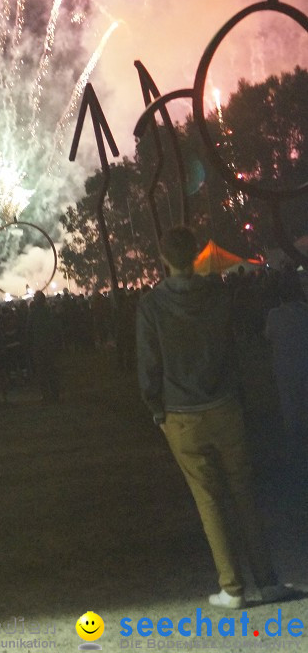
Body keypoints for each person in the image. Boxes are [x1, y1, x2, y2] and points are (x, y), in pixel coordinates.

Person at [136, 225, 290, 610]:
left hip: (181, 414)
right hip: (225, 405)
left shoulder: (151, 306)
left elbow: (149, 365)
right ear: (196, 255)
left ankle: (232, 587)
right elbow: (237, 347)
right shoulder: (219, 295)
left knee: (209, 500)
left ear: (163, 258)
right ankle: (267, 581)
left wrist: (156, 407)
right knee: (244, 493)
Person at [264, 269, 308, 473]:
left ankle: (296, 458)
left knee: (291, 412)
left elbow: (268, 337)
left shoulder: (274, 316)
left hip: (285, 371)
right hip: (304, 366)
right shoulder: (305, 312)